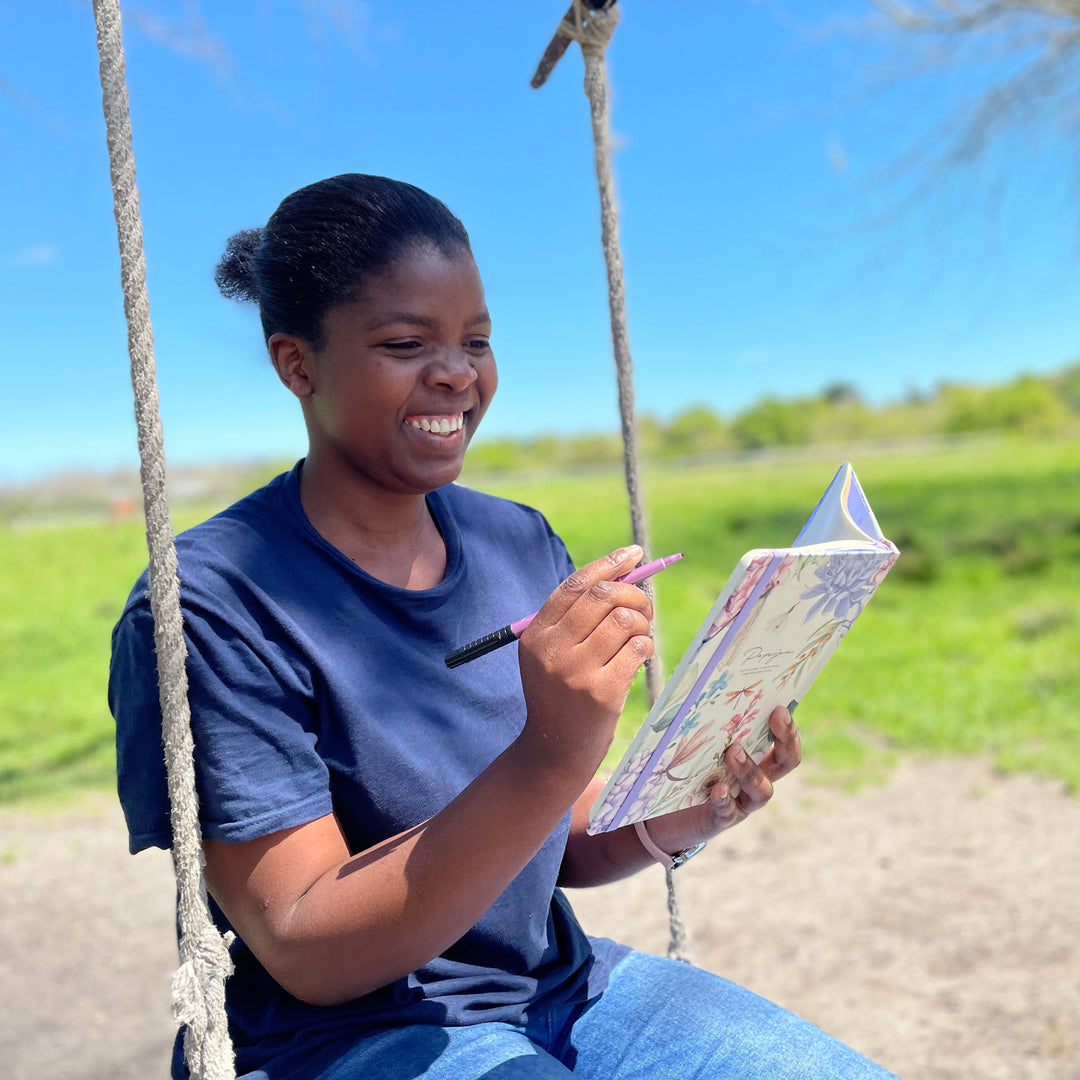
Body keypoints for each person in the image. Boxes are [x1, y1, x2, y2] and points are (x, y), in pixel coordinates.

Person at [110, 174, 899, 1080]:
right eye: (407, 343)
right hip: (343, 1041)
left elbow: (555, 839)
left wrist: (681, 810)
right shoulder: (212, 602)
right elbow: (306, 944)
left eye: (477, 341)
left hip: (559, 990)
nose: (457, 372)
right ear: (297, 364)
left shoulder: (515, 538)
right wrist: (550, 749)